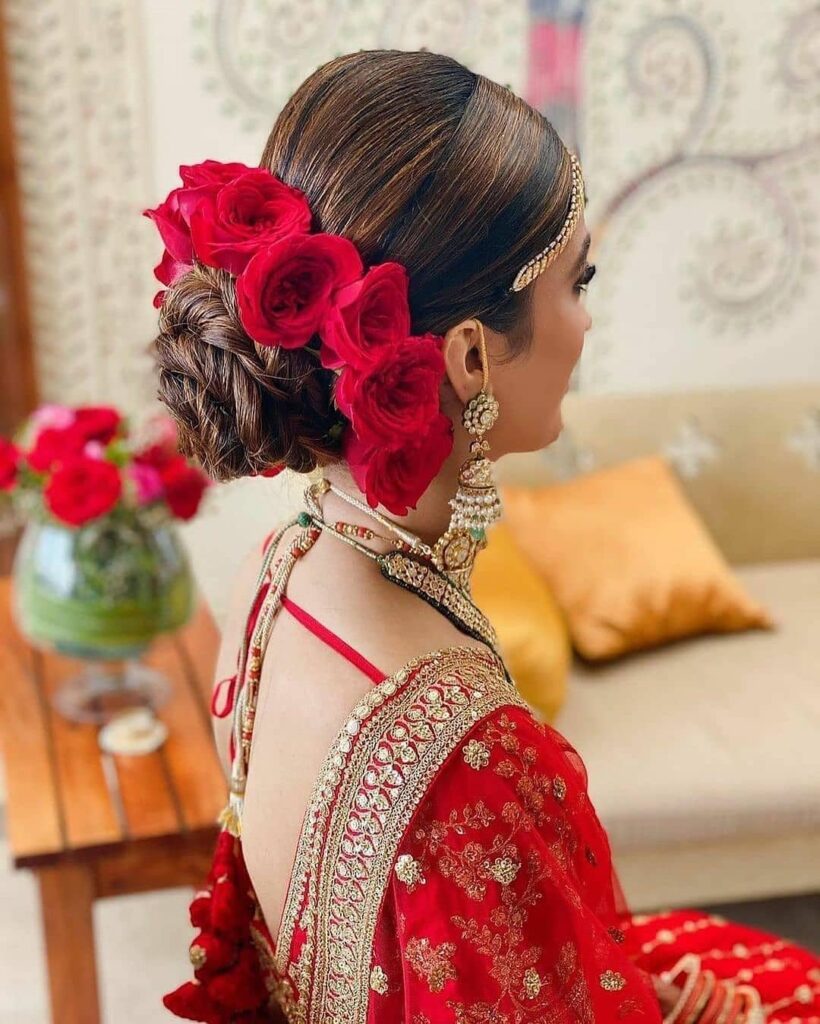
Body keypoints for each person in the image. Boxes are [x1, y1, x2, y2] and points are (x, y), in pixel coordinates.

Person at [146, 49, 819, 1024]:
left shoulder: (279, 568)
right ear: (468, 354)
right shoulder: (472, 753)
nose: (586, 325)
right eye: (576, 282)